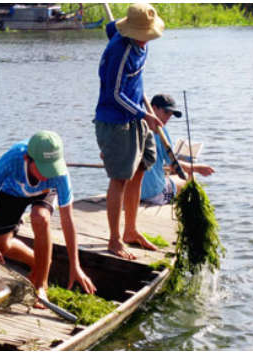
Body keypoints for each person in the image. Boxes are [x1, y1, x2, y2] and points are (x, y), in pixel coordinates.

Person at [0, 131, 96, 304]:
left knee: (40, 217)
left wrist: (75, 265)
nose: (48, 175)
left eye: (51, 169)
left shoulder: (59, 175)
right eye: (43, 169)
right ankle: (38, 261)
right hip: (14, 191)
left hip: (45, 193)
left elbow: (67, 220)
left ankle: (41, 284)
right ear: (27, 159)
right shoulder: (12, 159)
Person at [94, 3, 166, 259]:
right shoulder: (121, 52)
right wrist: (145, 114)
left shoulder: (128, 36)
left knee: (143, 165)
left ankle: (131, 230)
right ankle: (114, 240)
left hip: (135, 116)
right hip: (116, 121)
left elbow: (109, 27)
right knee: (120, 178)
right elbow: (114, 94)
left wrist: (143, 114)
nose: (148, 39)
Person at [141, 94, 215, 205]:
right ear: (154, 108)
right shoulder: (160, 131)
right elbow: (173, 164)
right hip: (153, 194)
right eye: (166, 112)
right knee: (190, 178)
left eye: (171, 114)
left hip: (131, 189)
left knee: (165, 175)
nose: (168, 117)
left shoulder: (133, 125)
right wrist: (197, 168)